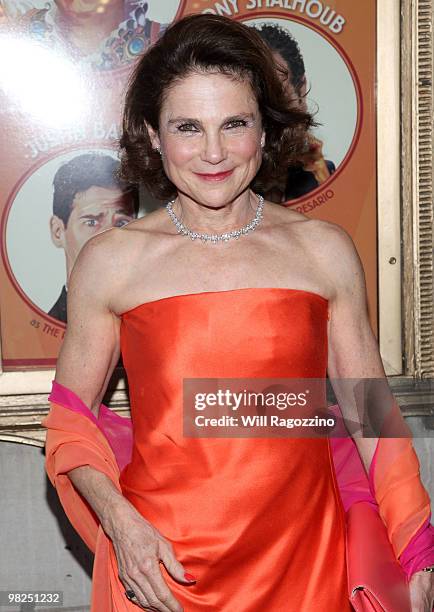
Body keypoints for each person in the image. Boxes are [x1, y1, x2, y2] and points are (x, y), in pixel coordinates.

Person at [42, 14, 434, 611]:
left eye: (235, 124)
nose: (214, 153)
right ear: (152, 134)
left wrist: (418, 548)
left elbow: (370, 416)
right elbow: (70, 425)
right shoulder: (111, 263)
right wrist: (122, 526)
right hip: (163, 569)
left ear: (266, 130)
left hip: (305, 566)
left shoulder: (322, 251)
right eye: (188, 128)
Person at [48, 153, 139, 323]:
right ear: (58, 231)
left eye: (121, 223)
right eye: (91, 222)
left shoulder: (156, 318)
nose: (109, 235)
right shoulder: (38, 336)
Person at [253, 22, 336, 202]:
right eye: (256, 98)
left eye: (279, 95)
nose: (268, 112)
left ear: (301, 89)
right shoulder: (219, 183)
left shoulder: (324, 177)